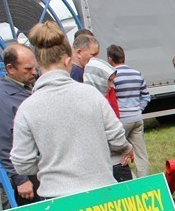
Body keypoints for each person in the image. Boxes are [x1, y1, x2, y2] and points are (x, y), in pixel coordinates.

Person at [10, 22, 133, 199]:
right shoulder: (91, 95)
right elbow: (117, 138)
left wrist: (51, 166)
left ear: (38, 65)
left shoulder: (27, 108)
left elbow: (21, 162)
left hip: (57, 200)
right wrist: (125, 148)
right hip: (101, 192)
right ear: (68, 61)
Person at [0, 44, 40, 206]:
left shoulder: (33, 88)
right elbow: (5, 143)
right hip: (29, 178)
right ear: (10, 68)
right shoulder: (0, 99)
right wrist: (21, 180)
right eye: (27, 69)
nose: (33, 72)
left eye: (34, 67)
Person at [85, 57, 132, 182]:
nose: (111, 86)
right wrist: (127, 148)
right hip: (113, 164)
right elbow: (114, 136)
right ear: (98, 79)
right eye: (109, 81)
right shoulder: (98, 103)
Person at [108, 44, 151, 177]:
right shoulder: (137, 73)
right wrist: (138, 109)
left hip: (121, 120)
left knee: (116, 153)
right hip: (137, 118)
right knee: (141, 154)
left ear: (110, 59)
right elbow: (146, 96)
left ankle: (127, 178)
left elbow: (111, 98)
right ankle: (143, 182)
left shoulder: (113, 76)